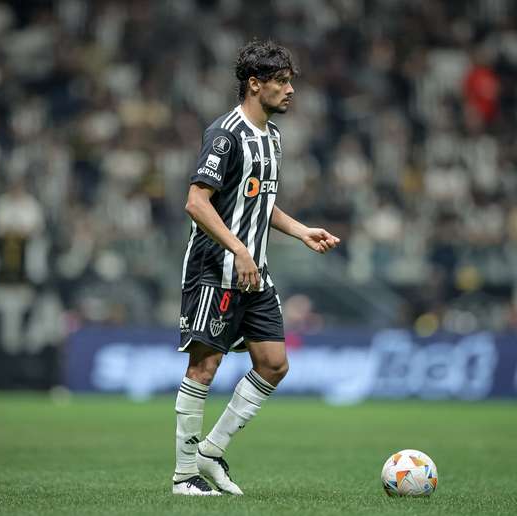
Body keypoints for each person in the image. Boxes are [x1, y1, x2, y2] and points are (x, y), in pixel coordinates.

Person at [172, 39, 340, 496]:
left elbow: (259, 203)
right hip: (215, 270)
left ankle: (210, 452)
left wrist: (302, 230)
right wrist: (239, 251)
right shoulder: (225, 133)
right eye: (281, 82)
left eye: (290, 82)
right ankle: (184, 475)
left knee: (274, 364)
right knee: (204, 370)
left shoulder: (273, 137)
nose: (290, 91)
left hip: (255, 272)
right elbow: (196, 202)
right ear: (254, 84)